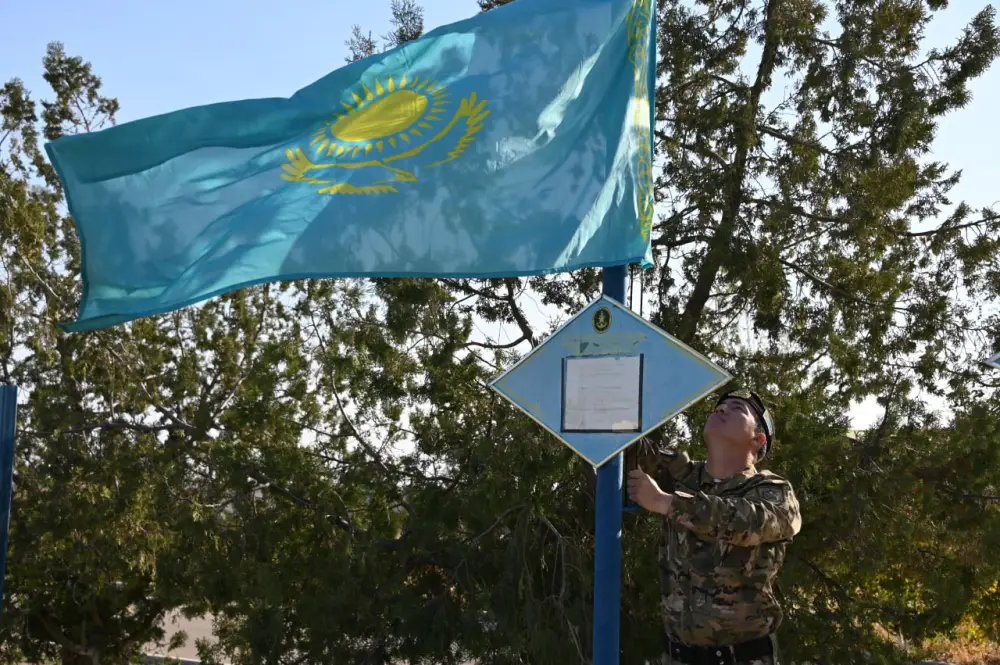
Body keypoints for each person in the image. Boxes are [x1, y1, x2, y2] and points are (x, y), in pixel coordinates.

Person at [627, 389, 802, 665]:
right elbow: (624, 446)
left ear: (758, 440)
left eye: (737, 409)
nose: (721, 410)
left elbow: (751, 521)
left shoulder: (772, 490)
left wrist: (667, 502)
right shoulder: (682, 475)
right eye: (720, 406)